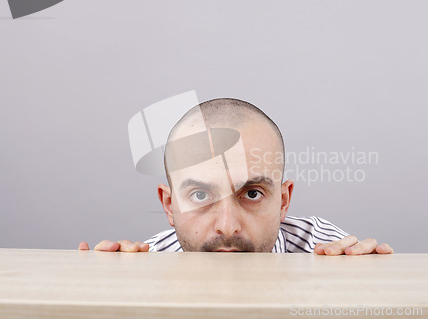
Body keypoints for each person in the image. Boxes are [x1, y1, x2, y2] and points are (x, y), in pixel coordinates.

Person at [79, 98, 393, 255]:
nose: (227, 227)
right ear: (168, 205)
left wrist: (371, 297)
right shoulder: (146, 266)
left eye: (252, 193)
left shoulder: (325, 250)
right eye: (200, 195)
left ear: (283, 202)